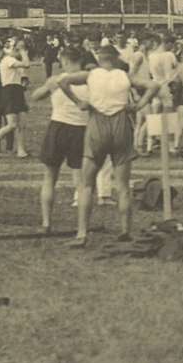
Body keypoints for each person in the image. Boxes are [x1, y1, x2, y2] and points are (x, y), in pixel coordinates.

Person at [51, 44, 152, 246]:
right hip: (121, 123)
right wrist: (138, 105)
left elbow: (63, 81)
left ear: (99, 58)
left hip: (97, 122)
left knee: (87, 184)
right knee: (123, 186)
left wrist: (79, 102)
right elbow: (154, 86)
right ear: (115, 59)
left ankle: (82, 233)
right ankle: (125, 230)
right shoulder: (124, 76)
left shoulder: (91, 75)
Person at [31, 46, 91, 234]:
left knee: (50, 177)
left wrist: (50, 86)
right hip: (81, 129)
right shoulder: (90, 80)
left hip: (58, 127)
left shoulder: (57, 80)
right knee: (81, 182)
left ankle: (46, 223)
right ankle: (82, 227)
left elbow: (35, 97)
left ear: (64, 61)